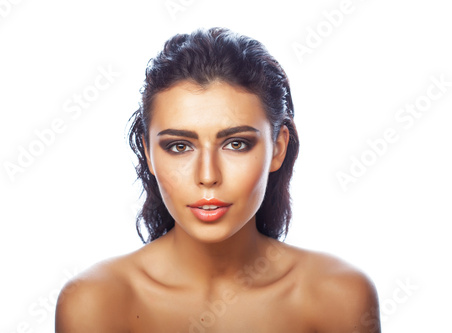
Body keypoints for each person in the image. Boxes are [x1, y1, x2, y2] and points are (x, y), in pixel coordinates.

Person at [55, 27, 381, 333]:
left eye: (236, 144)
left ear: (278, 148)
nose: (208, 176)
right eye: (179, 146)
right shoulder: (95, 303)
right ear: (148, 152)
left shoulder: (339, 296)